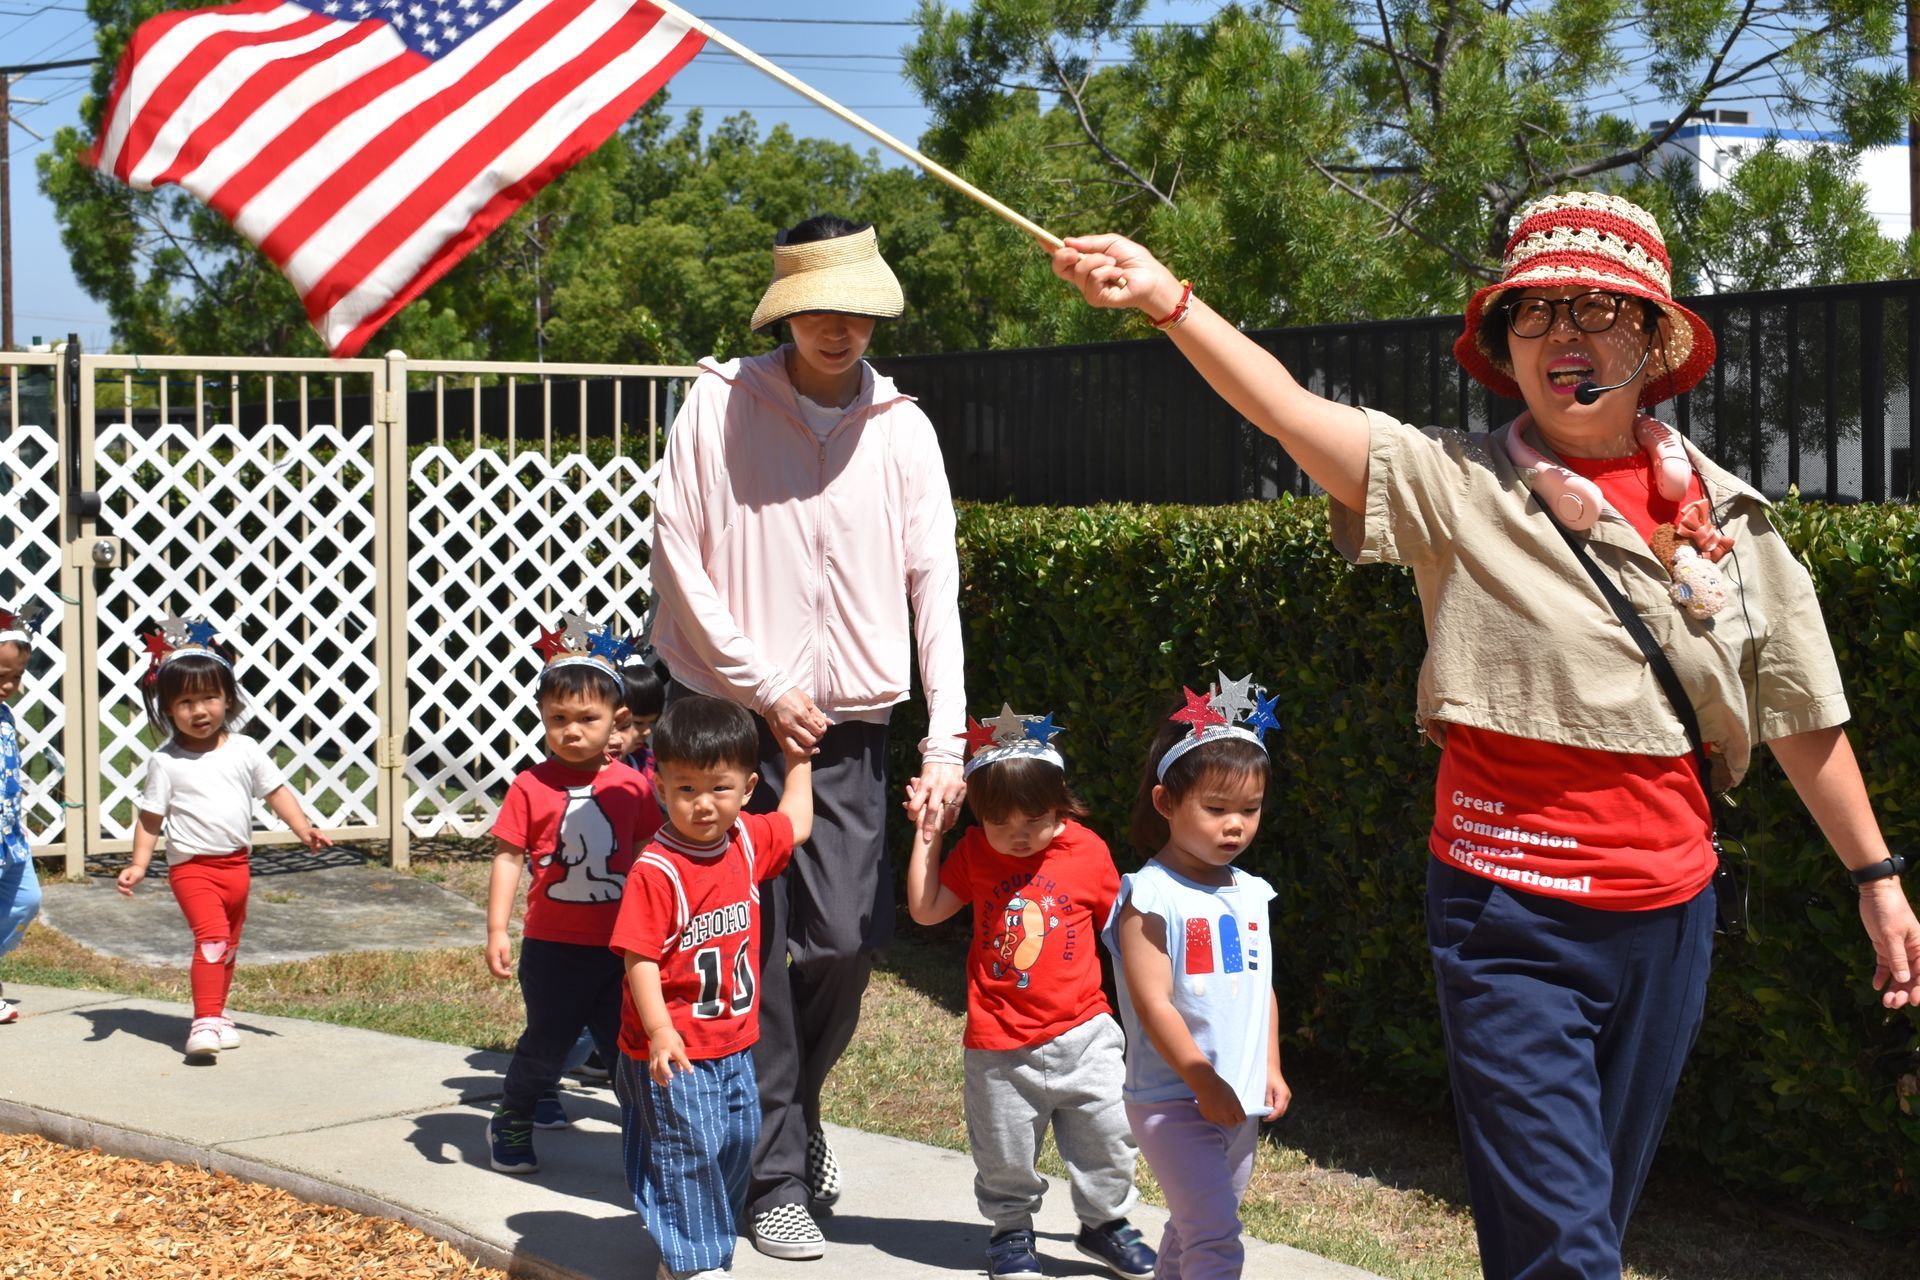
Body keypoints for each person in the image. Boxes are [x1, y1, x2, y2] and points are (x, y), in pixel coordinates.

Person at [1052, 191, 1920, 1279]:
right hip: (1506, 918)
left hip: (1668, 920)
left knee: (1578, 1215)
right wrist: (1169, 299)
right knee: (1565, 1245)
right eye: (1535, 313)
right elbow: (1281, 406)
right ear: (1504, 346)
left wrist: (1877, 875)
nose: (1567, 337)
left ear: (1655, 338)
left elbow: (1799, 715)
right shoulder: (1454, 486)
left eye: (1600, 309)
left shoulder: (1730, 519)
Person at [649, 213, 968, 1258]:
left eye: (858, 308)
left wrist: (945, 743)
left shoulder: (904, 425)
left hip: (849, 727)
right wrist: (763, 684)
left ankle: (791, 1112)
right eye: (818, 309)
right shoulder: (719, 400)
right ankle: (774, 1172)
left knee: (838, 941)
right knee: (741, 943)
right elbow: (681, 555)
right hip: (726, 719)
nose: (840, 328)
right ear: (785, 309)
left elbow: (937, 589)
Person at [903, 706, 1157, 1280]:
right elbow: (924, 910)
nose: (1018, 835)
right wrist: (929, 835)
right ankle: (1011, 1231)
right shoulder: (974, 852)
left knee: (1111, 1138)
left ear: (1061, 802)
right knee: (1004, 1156)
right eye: (1000, 822)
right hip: (999, 1043)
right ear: (980, 815)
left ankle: (1105, 1225)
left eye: (1035, 819)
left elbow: (1124, 932)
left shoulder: (1087, 852)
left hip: (1085, 1032)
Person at [609, 693, 814, 1280]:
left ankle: (692, 1244)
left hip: (734, 1042)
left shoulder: (746, 841)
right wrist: (658, 1029)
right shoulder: (659, 869)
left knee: (733, 1144)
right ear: (661, 788)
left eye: (719, 788)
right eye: (686, 789)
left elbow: (797, 823)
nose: (703, 805)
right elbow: (639, 957)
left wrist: (798, 759)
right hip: (674, 1048)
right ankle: (696, 1262)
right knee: (688, 1151)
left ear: (748, 788)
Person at [1104, 686, 1290, 1280]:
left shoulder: (1251, 891)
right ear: (1165, 802)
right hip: (1172, 1098)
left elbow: (1261, 987)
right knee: (1216, 1237)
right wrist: (1201, 1079)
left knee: (1194, 1228)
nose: (1236, 825)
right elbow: (1151, 1001)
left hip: (1237, 1098)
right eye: (1216, 809)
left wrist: (1270, 1065)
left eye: (1251, 809)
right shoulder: (1150, 895)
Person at [484, 619, 659, 1173]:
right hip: (552, 947)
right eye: (558, 719)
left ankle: (647, 1142)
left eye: (587, 719)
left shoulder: (632, 787)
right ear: (542, 716)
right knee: (548, 1042)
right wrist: (496, 929)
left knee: (624, 1052)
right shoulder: (530, 786)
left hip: (619, 950)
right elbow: (509, 857)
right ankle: (513, 1113)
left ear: (617, 721)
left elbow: (649, 856)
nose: (572, 731)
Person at [115, 615, 333, 1058]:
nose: (200, 711)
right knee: (212, 938)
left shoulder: (245, 750)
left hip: (237, 867)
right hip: (192, 868)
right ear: (167, 709)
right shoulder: (167, 762)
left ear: (228, 699)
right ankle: (205, 1021)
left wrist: (302, 826)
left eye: (210, 698)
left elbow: (276, 792)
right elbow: (150, 817)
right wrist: (139, 864)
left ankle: (217, 1011)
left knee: (228, 945)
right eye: (186, 702)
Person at [0, 602, 49, 1025]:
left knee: (27, 900)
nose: (9, 686)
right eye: (1, 677)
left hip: (10, 839)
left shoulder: (5, 717)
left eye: (16, 677)